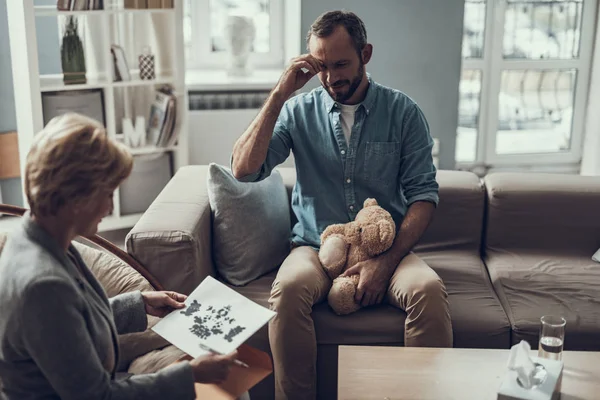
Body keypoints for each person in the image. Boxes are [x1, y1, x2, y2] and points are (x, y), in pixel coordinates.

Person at [231, 10, 454, 400]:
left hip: (388, 248)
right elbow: (244, 170)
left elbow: (424, 196)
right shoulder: (297, 112)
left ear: (365, 54)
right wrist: (279, 95)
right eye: (322, 67)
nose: (332, 77)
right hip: (316, 247)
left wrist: (384, 263)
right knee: (287, 291)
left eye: (341, 64)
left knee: (428, 291)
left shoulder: (403, 112)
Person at [0, 113, 237, 399]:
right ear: (77, 197)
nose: (110, 208)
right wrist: (190, 375)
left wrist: (138, 305)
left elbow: (67, 327)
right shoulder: (43, 285)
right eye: (108, 193)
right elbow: (97, 396)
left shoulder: (37, 238)